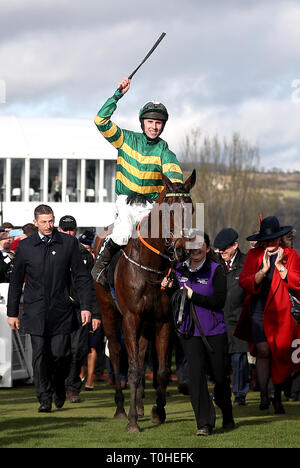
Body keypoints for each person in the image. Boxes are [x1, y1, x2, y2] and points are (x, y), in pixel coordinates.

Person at [91, 77, 183, 288]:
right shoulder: (125, 139)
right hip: (126, 202)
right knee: (123, 233)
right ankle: (101, 266)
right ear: (143, 123)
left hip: (150, 206)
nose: (154, 126)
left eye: (158, 123)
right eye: (150, 122)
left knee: (167, 238)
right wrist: (117, 95)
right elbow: (100, 121)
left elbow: (175, 179)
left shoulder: (165, 152)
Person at [6, 205, 93, 413]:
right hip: (34, 310)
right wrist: (12, 313)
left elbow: (81, 277)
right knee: (39, 356)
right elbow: (16, 282)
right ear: (35, 222)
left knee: (60, 355)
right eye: (44, 222)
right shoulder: (25, 247)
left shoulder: (68, 243)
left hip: (61, 310)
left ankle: (58, 387)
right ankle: (44, 397)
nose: (48, 225)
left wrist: (86, 307)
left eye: (51, 221)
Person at [162, 230, 234, 436]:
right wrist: (167, 288)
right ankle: (204, 423)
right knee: (196, 378)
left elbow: (219, 301)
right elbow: (174, 295)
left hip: (214, 332)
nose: (195, 249)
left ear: (207, 248)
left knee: (220, 378)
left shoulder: (216, 270)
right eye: (191, 245)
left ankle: (227, 413)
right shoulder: (178, 269)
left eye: (199, 245)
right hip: (189, 333)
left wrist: (194, 296)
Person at [234, 216, 300, 414]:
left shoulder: (291, 255)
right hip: (258, 312)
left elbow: (297, 282)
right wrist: (263, 271)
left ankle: (277, 396)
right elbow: (244, 282)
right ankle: (264, 394)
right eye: (266, 241)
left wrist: (280, 267)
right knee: (263, 351)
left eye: (274, 240)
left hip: (281, 315)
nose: (270, 244)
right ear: (261, 240)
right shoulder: (254, 256)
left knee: (280, 355)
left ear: (280, 238)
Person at [57, 215, 101, 402]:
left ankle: (73, 387)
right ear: (59, 230)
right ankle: (57, 384)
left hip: (79, 309)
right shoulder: (52, 251)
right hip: (57, 310)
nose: (69, 233)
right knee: (58, 351)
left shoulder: (84, 254)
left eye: (71, 230)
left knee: (78, 350)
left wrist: (96, 313)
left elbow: (93, 286)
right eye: (65, 229)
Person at [214, 228, 249, 406]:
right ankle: (220, 391)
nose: (221, 252)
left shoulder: (246, 264)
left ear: (235, 245)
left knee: (239, 358)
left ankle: (240, 394)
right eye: (219, 249)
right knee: (221, 360)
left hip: (239, 319)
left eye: (225, 249)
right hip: (218, 320)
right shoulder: (215, 265)